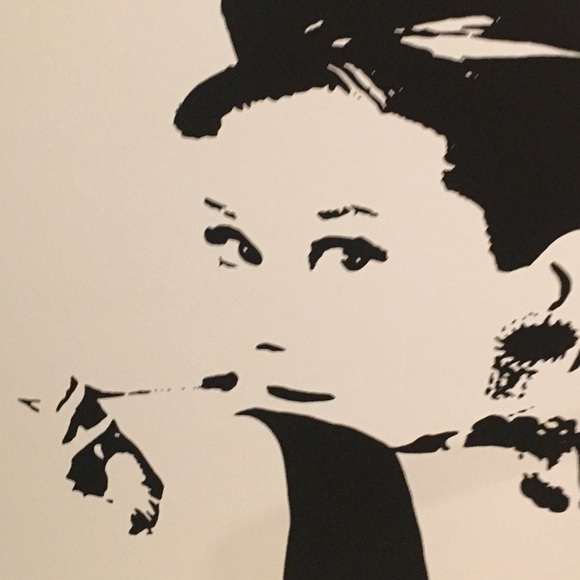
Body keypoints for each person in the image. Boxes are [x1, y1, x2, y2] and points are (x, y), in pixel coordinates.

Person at [39, 2, 580, 578]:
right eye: (235, 246)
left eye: (349, 255)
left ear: (556, 287)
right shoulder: (232, 474)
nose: (263, 324)